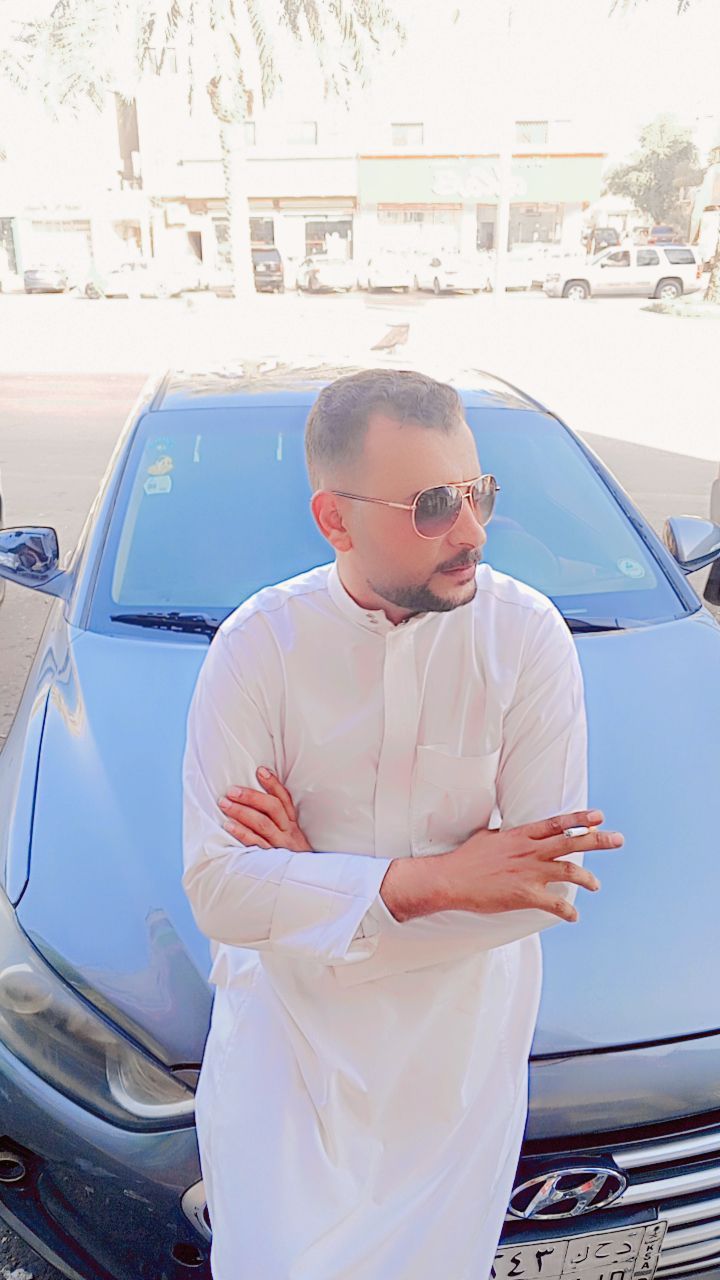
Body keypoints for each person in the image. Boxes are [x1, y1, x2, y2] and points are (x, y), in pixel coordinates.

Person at [182, 368, 623, 1280]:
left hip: (453, 1074)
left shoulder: (525, 637)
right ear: (335, 521)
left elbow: (540, 893)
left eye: (477, 493)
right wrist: (437, 880)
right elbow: (220, 893)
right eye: (431, 506)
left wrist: (313, 889)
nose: (472, 532)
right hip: (286, 1060)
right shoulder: (259, 647)